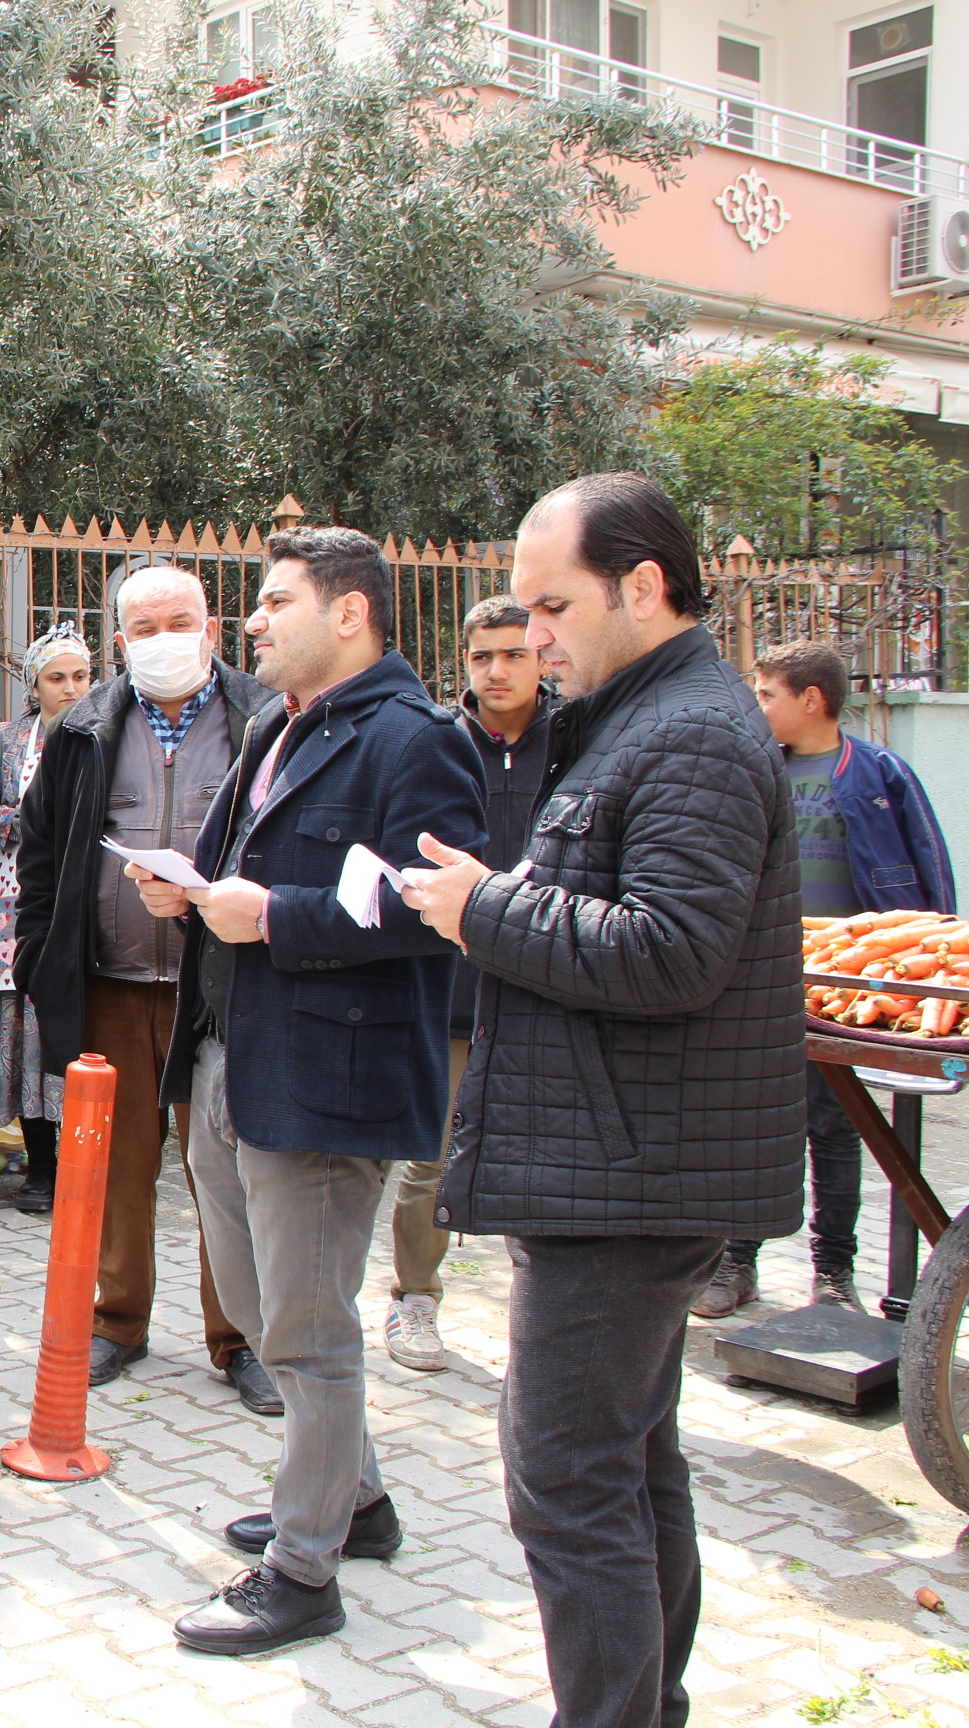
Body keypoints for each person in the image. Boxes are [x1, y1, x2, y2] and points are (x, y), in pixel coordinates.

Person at [407, 473, 804, 1728]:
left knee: (570, 1483)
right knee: (631, 1468)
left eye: (552, 604)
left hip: (629, 1174)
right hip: (621, 1158)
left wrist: (486, 910)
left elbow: (672, 950)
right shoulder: (640, 719)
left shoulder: (690, 730)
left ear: (642, 586)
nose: (532, 637)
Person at [129, 527, 485, 1657]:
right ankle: (358, 1502)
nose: (252, 622)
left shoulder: (414, 741)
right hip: (238, 1058)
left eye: (278, 601)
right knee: (257, 1299)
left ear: (352, 614)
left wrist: (273, 917)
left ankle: (304, 1570)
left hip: (331, 1080)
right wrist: (186, 894)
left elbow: (438, 910)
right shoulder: (282, 729)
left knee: (310, 1332)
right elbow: (250, 870)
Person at [12, 566, 270, 1412]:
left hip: (219, 989)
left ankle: (241, 1339)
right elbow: (42, 853)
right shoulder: (83, 729)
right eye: (146, 626)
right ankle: (118, 1323)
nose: (165, 637)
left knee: (224, 1172)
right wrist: (36, 955)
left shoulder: (263, 720)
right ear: (120, 641)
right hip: (112, 986)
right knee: (116, 1166)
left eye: (180, 620)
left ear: (211, 626)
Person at [688, 638, 956, 1318]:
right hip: (759, 986)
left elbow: (927, 871)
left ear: (812, 700)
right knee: (749, 1128)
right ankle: (736, 1263)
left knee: (835, 1130)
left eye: (769, 693)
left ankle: (834, 1275)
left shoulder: (878, 774)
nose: (758, 704)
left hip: (844, 992)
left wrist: (926, 979)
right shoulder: (756, 771)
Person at [381, 595, 558, 1373]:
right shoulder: (438, 740)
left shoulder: (578, 741)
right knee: (434, 1154)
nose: (497, 670)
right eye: (482, 656)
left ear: (541, 655)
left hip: (551, 981)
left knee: (553, 1156)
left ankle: (550, 1316)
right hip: (451, 986)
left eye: (514, 653)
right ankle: (414, 1300)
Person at [0, 630, 91, 1213]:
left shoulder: (104, 737)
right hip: (15, 904)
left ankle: (88, 1163)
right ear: (34, 685)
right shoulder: (5, 740)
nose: (69, 689)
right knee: (21, 1028)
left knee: (75, 1025)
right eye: (56, 678)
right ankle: (40, 1169)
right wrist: (35, 822)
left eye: (80, 677)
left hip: (84, 902)